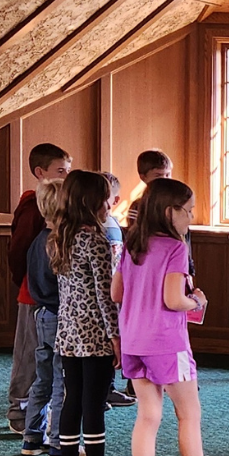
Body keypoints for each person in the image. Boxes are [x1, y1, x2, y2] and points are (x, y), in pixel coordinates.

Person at [114, 179, 229, 456]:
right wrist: (195, 300)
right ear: (170, 212)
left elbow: (117, 293)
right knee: (189, 415)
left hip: (133, 341)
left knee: (148, 415)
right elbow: (172, 299)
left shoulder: (132, 244)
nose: (191, 218)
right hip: (167, 343)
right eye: (188, 212)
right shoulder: (175, 248)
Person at [50, 170, 129, 456]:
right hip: (95, 333)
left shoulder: (58, 236)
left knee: (72, 399)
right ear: (93, 201)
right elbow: (104, 293)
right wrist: (116, 337)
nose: (109, 204)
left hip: (68, 332)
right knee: (94, 403)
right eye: (105, 198)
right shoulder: (94, 239)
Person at [7, 143, 72, 433]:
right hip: (32, 294)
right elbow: (19, 249)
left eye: (68, 171)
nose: (66, 176)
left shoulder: (63, 203)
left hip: (50, 297)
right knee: (28, 355)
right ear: (40, 172)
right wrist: (27, 280)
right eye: (60, 171)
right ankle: (18, 412)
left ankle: (36, 415)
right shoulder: (33, 206)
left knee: (46, 360)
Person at [21, 179, 68, 456]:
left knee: (43, 378)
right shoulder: (58, 244)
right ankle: (59, 442)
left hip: (41, 315)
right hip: (59, 316)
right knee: (63, 381)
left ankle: (31, 436)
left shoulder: (37, 241)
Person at [101, 172, 136, 410]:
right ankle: (100, 391)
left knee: (114, 344)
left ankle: (108, 388)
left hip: (116, 289)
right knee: (106, 344)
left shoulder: (113, 223)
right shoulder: (98, 227)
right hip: (104, 293)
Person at [122, 149, 173, 227]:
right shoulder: (137, 206)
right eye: (158, 175)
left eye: (167, 175)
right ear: (143, 177)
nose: (164, 179)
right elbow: (133, 233)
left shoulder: (176, 203)